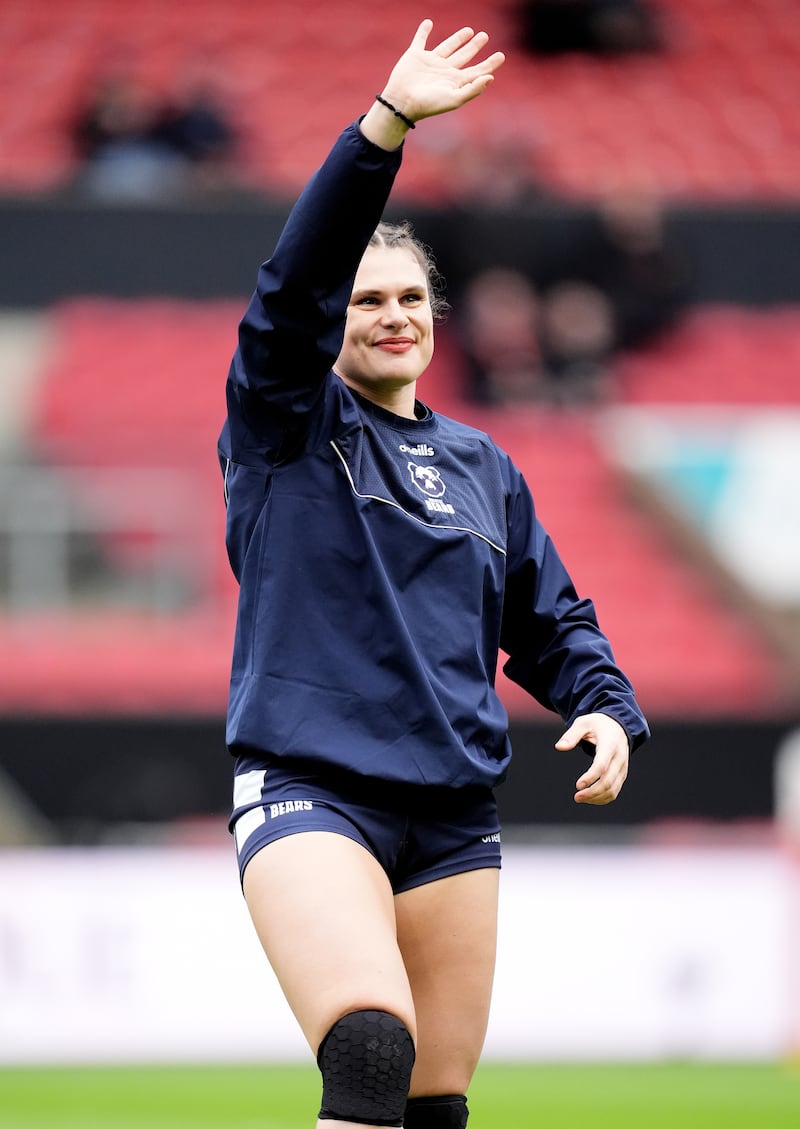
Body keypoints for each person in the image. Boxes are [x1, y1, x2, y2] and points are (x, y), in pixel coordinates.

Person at [219, 20, 649, 1129]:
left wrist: (604, 706)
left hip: (453, 811)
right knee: (366, 1048)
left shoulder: (481, 465)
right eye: (366, 301)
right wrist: (385, 127)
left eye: (408, 298)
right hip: (315, 786)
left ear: (435, 315)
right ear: (334, 325)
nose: (391, 314)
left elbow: (549, 620)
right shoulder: (284, 424)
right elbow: (290, 287)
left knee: (429, 1106)